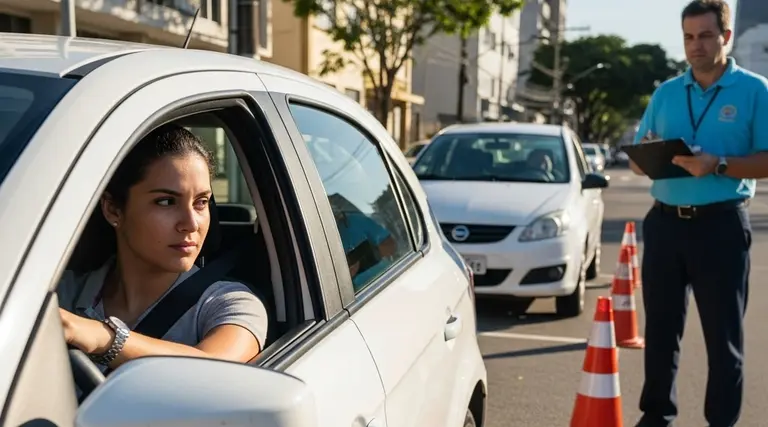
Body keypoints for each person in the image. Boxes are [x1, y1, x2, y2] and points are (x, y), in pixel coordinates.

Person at [630, 1, 768, 426]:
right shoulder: (666, 92)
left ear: (725, 37)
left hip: (721, 227)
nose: (696, 45)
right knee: (660, 334)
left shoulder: (756, 90)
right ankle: (657, 417)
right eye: (689, 37)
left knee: (723, 340)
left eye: (706, 36)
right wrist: (648, 153)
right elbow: (636, 159)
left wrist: (718, 164)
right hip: (666, 224)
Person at [57, 124, 268, 371]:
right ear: (113, 209)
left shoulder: (229, 303)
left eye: (201, 202)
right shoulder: (62, 294)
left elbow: (216, 368)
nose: (191, 224)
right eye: (166, 202)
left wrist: (102, 337)